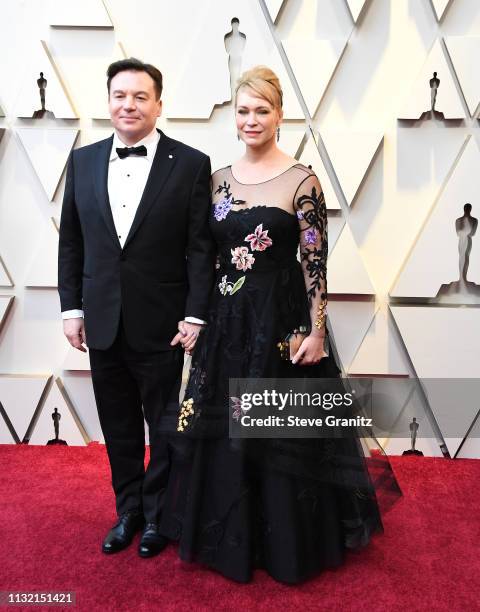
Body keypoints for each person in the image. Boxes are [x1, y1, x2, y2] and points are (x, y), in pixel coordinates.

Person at [158, 66, 400, 584]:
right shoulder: (216, 179)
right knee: (222, 428)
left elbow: (316, 265)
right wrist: (195, 317)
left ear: (280, 115)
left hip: (280, 324)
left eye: (261, 110)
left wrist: (315, 332)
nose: (251, 120)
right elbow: (201, 255)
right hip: (225, 326)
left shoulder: (301, 179)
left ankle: (287, 541)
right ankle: (228, 534)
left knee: (277, 429)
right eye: (242, 110)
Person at [58, 58, 215, 558]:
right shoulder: (81, 161)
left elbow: (199, 247)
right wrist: (71, 309)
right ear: (109, 101)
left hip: (163, 324)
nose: (129, 105)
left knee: (165, 427)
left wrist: (195, 315)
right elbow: (72, 244)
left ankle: (159, 516)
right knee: (118, 426)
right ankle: (128, 511)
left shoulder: (190, 163)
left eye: (140, 97)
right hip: (101, 322)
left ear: (158, 104)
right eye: (120, 95)